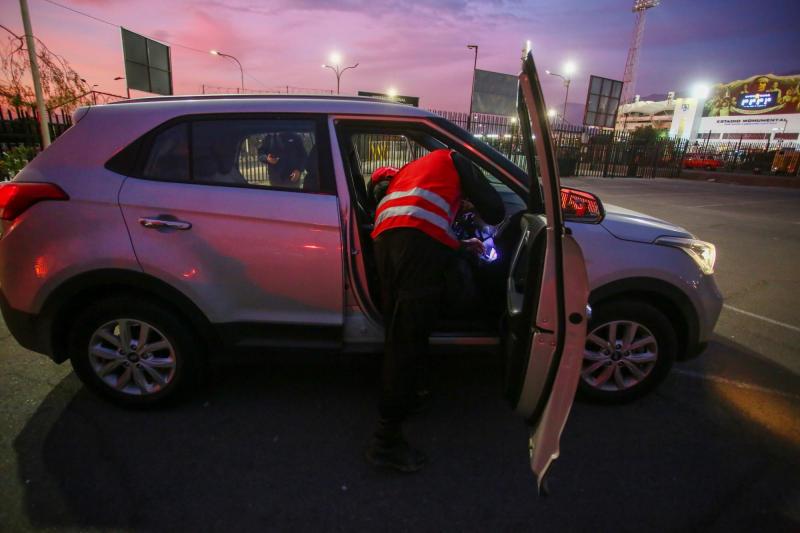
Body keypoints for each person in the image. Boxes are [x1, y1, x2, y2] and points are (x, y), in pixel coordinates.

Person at [365, 148, 504, 472]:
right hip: (416, 244)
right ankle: (384, 442)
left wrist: (460, 244)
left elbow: (424, 214)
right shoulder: (456, 159)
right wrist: (472, 204)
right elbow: (496, 211)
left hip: (384, 242)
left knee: (399, 332)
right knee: (407, 340)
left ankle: (410, 392)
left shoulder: (416, 168)